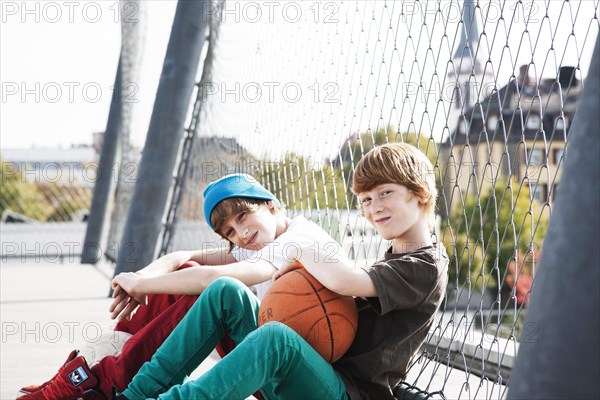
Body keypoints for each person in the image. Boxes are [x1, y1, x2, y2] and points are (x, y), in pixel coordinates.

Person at [114, 142, 449, 400]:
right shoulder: (395, 254)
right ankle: (136, 393)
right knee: (226, 292)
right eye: (365, 200)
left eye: (384, 193)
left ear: (420, 193)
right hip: (315, 372)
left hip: (348, 392)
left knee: (276, 338)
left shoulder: (425, 266)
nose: (374, 207)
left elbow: (344, 281)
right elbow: (197, 264)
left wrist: (296, 249)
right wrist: (143, 280)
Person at [19, 173, 347, 400]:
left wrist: (143, 282)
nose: (240, 233)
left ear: (271, 205)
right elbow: (183, 258)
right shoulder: (259, 244)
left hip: (309, 378)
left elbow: (211, 279)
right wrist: (142, 280)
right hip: (279, 369)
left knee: (219, 289)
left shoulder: (299, 239)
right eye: (230, 232)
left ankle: (102, 381)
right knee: (196, 277)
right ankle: (96, 378)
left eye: (243, 217)